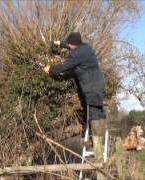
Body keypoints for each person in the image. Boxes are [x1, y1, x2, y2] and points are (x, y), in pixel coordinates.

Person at [43, 32, 107, 171]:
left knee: (95, 113)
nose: (68, 46)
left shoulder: (76, 54)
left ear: (73, 44)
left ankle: (96, 144)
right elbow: (72, 46)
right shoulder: (86, 47)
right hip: (96, 83)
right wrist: (60, 43)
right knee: (95, 111)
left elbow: (64, 66)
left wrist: (51, 70)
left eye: (68, 44)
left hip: (92, 86)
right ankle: (95, 137)